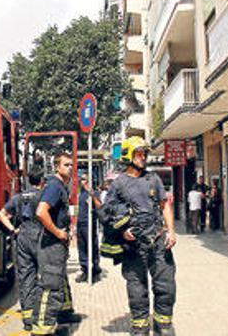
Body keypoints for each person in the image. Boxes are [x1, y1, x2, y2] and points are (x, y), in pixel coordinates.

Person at [106, 136, 177, 336]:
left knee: (167, 287)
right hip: (134, 246)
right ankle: (140, 328)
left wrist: (171, 230)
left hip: (158, 241)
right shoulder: (118, 184)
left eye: (144, 153)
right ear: (128, 155)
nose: (143, 157)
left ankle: (163, 325)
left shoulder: (153, 178)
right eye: (139, 153)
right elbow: (108, 213)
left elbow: (165, 205)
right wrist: (122, 231)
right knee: (137, 291)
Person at [30, 152, 80, 335]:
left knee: (59, 281)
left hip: (57, 245)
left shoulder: (60, 186)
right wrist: (59, 232)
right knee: (50, 287)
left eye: (71, 165)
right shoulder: (54, 187)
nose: (70, 168)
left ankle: (65, 313)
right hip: (51, 244)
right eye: (66, 165)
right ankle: (41, 330)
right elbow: (41, 212)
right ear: (57, 167)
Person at [0, 169, 45, 330]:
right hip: (40, 237)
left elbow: (1, 214)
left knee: (26, 278)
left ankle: (27, 320)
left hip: (22, 237)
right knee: (45, 277)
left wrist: (13, 230)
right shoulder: (43, 196)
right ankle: (42, 317)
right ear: (42, 181)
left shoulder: (18, 197)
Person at [76, 173, 102, 283]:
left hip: (89, 223)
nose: (83, 182)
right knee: (81, 247)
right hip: (80, 223)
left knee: (92, 246)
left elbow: (99, 206)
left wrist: (92, 195)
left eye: (85, 179)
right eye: (82, 179)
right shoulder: (80, 193)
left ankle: (95, 269)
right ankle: (85, 269)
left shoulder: (94, 192)